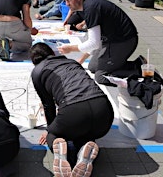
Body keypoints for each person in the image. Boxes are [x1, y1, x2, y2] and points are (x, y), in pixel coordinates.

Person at [29, 42, 114, 177]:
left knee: (54, 134)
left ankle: (61, 153)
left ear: (34, 61)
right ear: (52, 53)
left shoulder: (38, 71)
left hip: (73, 112)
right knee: (85, 133)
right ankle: (85, 152)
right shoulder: (72, 62)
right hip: (104, 112)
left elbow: (48, 105)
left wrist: (50, 129)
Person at [57, 0, 162, 87]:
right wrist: (80, 60)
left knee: (101, 76)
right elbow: (95, 41)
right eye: (65, 1)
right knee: (92, 67)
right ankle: (137, 64)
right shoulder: (86, 6)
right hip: (112, 40)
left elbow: (94, 43)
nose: (67, 4)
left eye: (69, 0)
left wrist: (70, 49)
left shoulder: (91, 8)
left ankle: (144, 72)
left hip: (123, 41)